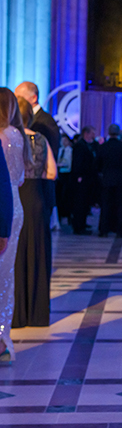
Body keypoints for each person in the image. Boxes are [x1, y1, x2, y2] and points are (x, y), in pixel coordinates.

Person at [13, 96, 57, 328]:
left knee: (16, 257)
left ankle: (17, 315)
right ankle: (38, 315)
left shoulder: (8, 138)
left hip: (16, 198)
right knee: (38, 254)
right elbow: (52, 172)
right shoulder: (40, 138)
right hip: (37, 199)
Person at [0, 88, 30, 361]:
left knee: (3, 275)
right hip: (14, 200)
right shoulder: (18, 134)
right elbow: (20, 177)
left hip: (5, 204)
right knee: (4, 275)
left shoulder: (6, 135)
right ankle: (2, 337)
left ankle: (1, 339)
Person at [97, 124, 122, 238]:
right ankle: (120, 230)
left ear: (109, 132)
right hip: (121, 180)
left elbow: (97, 163)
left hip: (107, 179)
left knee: (105, 205)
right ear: (118, 133)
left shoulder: (103, 147)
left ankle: (104, 230)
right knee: (120, 206)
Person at [71, 126, 98, 235]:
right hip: (81, 179)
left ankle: (82, 223)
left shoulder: (89, 145)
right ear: (86, 134)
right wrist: (79, 176)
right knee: (80, 203)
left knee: (85, 203)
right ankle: (79, 226)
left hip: (87, 178)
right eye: (92, 132)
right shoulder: (80, 146)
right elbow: (78, 162)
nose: (94, 135)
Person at [56, 134, 73, 224]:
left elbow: (69, 162)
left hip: (67, 174)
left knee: (66, 195)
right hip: (60, 174)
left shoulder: (70, 151)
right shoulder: (60, 150)